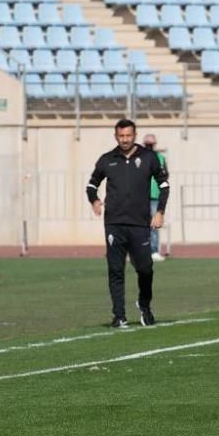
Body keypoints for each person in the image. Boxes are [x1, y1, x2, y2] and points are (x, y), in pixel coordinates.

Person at [86, 118, 170, 328]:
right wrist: (94, 200)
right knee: (115, 269)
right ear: (116, 136)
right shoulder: (107, 159)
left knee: (145, 269)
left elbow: (164, 185)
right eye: (121, 136)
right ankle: (119, 315)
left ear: (134, 135)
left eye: (128, 136)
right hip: (114, 224)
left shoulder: (149, 157)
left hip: (140, 224)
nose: (125, 139)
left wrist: (160, 211)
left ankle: (145, 306)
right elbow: (91, 185)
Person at [142, 133, 168, 262]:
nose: (149, 147)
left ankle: (154, 251)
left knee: (154, 224)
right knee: (139, 224)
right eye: (147, 145)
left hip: (155, 195)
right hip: (140, 195)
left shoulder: (160, 158)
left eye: (150, 145)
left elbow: (165, 176)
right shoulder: (139, 158)